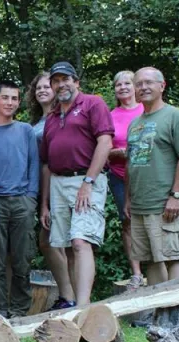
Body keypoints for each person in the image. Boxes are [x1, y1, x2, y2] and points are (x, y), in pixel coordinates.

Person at [39, 62, 113, 306]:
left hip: (87, 180)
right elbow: (47, 163)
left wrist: (88, 182)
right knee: (69, 246)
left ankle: (83, 306)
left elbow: (105, 144)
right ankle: (73, 305)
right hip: (59, 183)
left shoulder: (93, 104)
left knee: (81, 241)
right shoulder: (51, 117)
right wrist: (45, 204)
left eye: (66, 79)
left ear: (76, 81)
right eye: (56, 80)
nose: (61, 84)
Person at [125, 67, 179, 286]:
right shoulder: (135, 124)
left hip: (164, 202)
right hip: (139, 204)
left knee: (174, 256)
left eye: (148, 82)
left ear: (162, 86)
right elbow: (131, 162)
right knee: (151, 260)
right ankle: (159, 312)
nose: (143, 87)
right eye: (138, 84)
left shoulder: (175, 116)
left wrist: (175, 195)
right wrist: (128, 199)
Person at [0, 80, 39, 318]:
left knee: (22, 259)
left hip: (22, 201)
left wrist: (31, 198)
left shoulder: (26, 130)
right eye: (5, 98)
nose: (9, 103)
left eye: (14, 98)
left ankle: (20, 308)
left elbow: (34, 165)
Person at [26, 71, 75, 309]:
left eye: (47, 86)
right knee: (52, 241)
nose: (43, 90)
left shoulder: (61, 117)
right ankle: (70, 295)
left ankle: (70, 295)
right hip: (38, 188)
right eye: (38, 88)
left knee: (54, 241)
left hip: (58, 184)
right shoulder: (36, 123)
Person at [109, 71, 145, 290]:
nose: (122, 87)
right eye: (118, 84)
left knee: (152, 220)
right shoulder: (111, 115)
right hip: (120, 176)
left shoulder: (147, 110)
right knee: (128, 220)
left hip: (146, 176)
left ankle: (158, 268)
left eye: (127, 83)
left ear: (135, 87)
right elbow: (104, 149)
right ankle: (137, 273)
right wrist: (121, 152)